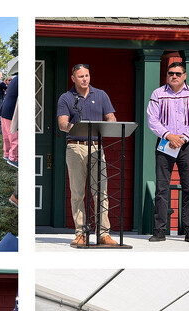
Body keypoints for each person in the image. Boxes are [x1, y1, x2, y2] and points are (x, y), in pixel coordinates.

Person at [57, 64, 119, 247]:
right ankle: (81, 234)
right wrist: (75, 128)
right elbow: (62, 123)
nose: (85, 79)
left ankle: (103, 234)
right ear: (73, 78)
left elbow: (111, 118)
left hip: (96, 148)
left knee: (101, 192)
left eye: (87, 75)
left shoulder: (101, 95)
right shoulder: (66, 98)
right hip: (75, 148)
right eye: (81, 76)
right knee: (77, 193)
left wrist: (110, 124)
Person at [147, 61, 189, 243]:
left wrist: (182, 138)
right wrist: (170, 136)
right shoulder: (158, 94)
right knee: (162, 188)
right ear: (167, 75)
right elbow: (152, 120)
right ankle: (159, 230)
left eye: (178, 74)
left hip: (186, 145)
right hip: (165, 143)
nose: (174, 76)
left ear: (185, 75)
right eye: (171, 73)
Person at [0, 73, 18, 169]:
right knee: (14, 136)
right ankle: (13, 158)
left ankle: (7, 154)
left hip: (4, 109)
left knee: (6, 135)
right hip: (11, 111)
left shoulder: (14, 80)